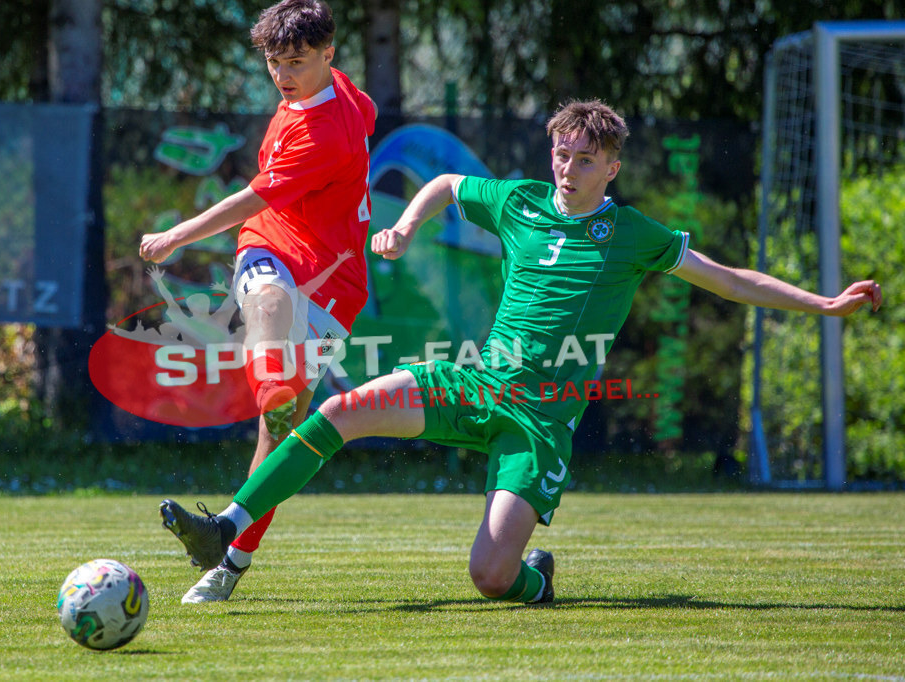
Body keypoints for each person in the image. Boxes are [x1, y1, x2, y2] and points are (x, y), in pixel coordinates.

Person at [158, 99, 882, 605]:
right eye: (561, 153)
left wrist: (821, 304)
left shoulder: (633, 234)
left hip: (538, 423)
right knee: (339, 410)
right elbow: (443, 183)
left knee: (490, 579)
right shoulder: (520, 201)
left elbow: (729, 281)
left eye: (584, 158)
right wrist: (407, 227)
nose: (567, 168)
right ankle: (227, 527)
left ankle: (536, 578)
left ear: (613, 168)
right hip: (475, 382)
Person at [140, 0, 377, 603]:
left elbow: (250, 198)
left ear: (330, 54)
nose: (283, 75)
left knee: (279, 445)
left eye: (295, 62)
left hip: (335, 282)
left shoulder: (326, 131)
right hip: (274, 247)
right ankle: (273, 385)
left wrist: (174, 236)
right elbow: (264, 215)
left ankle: (228, 558)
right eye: (274, 62)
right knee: (267, 295)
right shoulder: (343, 92)